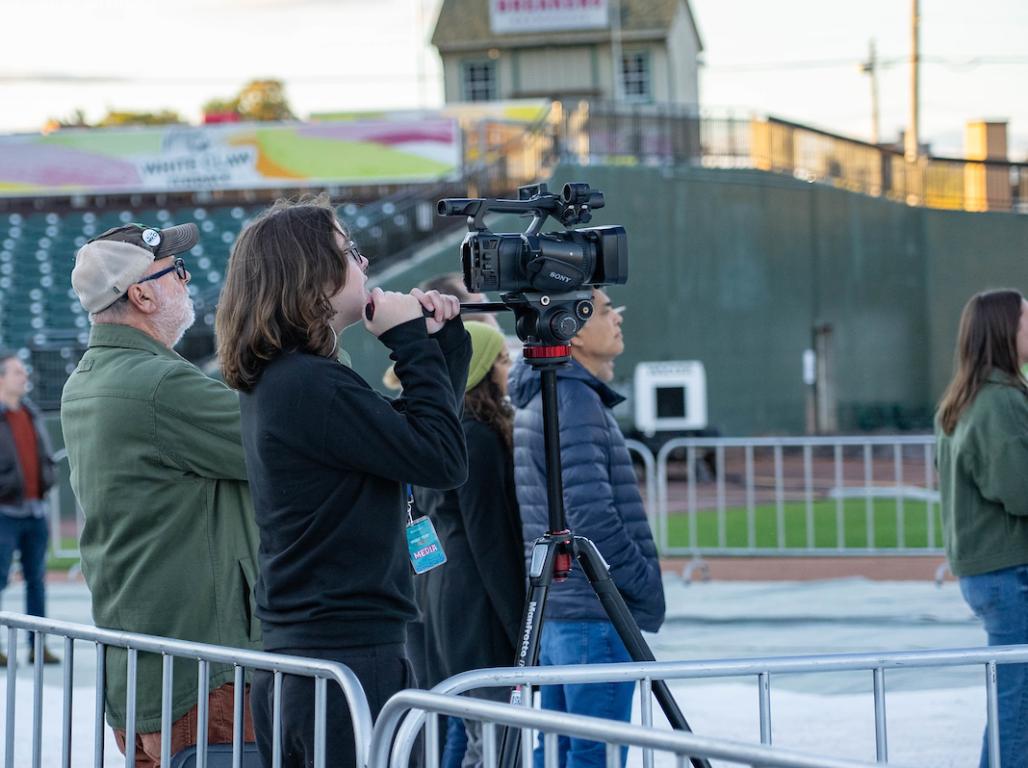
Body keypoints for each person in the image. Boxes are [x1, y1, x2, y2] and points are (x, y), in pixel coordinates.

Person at [215, 196, 471, 768]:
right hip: (347, 655)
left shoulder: (291, 380)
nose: (365, 263)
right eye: (350, 252)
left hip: (318, 652)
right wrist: (408, 343)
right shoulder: (310, 385)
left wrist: (442, 347)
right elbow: (441, 460)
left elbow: (414, 443)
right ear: (313, 275)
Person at [61, 222, 260, 766]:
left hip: (143, 674)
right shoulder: (157, 385)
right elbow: (289, 439)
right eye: (176, 272)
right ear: (142, 294)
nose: (187, 279)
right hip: (205, 675)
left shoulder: (88, 377)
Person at [508, 289, 665, 768]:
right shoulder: (573, 400)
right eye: (599, 310)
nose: (616, 317)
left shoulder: (553, 393)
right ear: (569, 333)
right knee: (591, 755)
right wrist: (639, 586)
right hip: (592, 615)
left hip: (564, 614)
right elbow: (590, 519)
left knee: (555, 750)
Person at [415, 321, 524, 768]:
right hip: (475, 606)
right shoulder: (475, 437)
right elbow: (490, 541)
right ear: (478, 368)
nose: (509, 366)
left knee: (481, 741)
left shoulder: (447, 431)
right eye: (499, 359)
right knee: (496, 745)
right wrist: (523, 629)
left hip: (447, 600)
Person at [935, 288, 1028, 768]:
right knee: (1018, 705)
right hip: (1010, 572)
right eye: (1025, 318)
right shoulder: (999, 402)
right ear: (1004, 332)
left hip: (987, 571)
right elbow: (1019, 488)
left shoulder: (962, 399)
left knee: (1010, 701)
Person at [0, 351, 57, 666]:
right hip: (4, 512)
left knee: (37, 580)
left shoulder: (31, 413)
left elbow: (43, 455)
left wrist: (48, 476)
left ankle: (37, 645)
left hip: (35, 511)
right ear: (2, 379)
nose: (25, 377)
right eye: (18, 373)